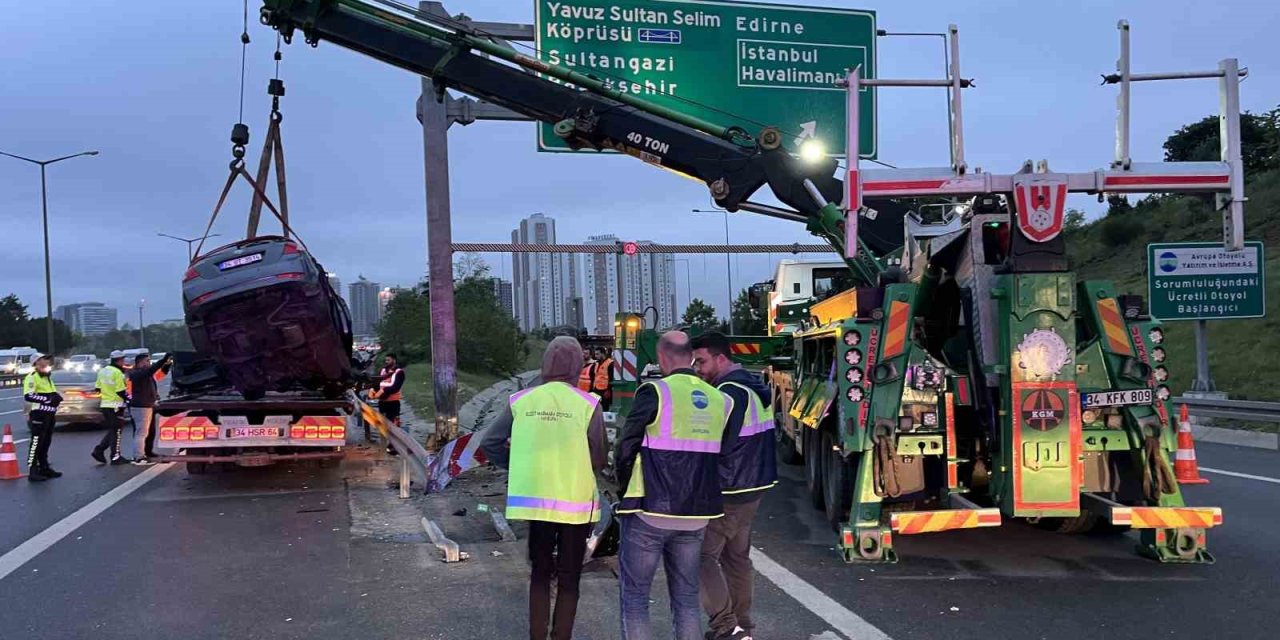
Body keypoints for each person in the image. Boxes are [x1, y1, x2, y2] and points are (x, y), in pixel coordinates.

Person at [480, 336, 607, 640]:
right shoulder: (588, 404)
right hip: (575, 505)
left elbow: (490, 443)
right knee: (569, 579)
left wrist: (519, 464)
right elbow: (599, 458)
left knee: (539, 574)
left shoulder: (522, 401)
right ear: (577, 366)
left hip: (535, 502)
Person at [615, 331, 731, 640]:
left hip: (650, 511)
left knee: (636, 600)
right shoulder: (719, 399)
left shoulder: (653, 391)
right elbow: (724, 452)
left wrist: (623, 491)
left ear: (663, 357)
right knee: (686, 600)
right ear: (691, 357)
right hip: (696, 516)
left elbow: (626, 447)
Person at [691, 332, 778, 640]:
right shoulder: (754, 386)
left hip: (729, 490)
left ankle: (727, 628)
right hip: (754, 485)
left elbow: (718, 443)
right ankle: (743, 625)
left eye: (701, 361)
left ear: (721, 358)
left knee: (701, 557)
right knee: (736, 557)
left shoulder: (727, 393)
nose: (698, 369)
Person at [126, 351, 173, 466]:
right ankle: (139, 457)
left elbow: (160, 374)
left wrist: (168, 363)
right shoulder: (137, 374)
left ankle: (147, 452)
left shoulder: (146, 374)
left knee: (149, 432)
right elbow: (151, 370)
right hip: (140, 406)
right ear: (140, 363)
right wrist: (163, 359)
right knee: (140, 433)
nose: (149, 363)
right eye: (147, 361)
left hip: (147, 405)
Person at [22, 353, 62, 481]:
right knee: (36, 443)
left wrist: (56, 397)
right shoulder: (32, 377)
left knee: (46, 442)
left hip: (50, 414)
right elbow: (29, 396)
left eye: (46, 359)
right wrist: (48, 399)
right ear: (37, 362)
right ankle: (32, 471)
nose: (46, 361)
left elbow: (51, 394)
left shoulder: (47, 377)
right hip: (39, 414)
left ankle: (44, 467)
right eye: (44, 359)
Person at [92, 350, 131, 465]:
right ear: (119, 360)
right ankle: (115, 456)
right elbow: (120, 391)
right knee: (117, 431)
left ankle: (99, 450)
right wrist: (129, 399)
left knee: (114, 430)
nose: (123, 362)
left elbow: (97, 389)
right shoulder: (118, 373)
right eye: (122, 360)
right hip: (116, 405)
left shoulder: (102, 371)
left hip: (105, 405)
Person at [592, 347, 615, 411]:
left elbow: (611, 378)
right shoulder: (596, 363)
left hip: (605, 390)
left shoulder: (610, 363)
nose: (595, 356)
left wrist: (608, 390)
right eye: (595, 354)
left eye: (597, 354)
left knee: (604, 409)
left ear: (603, 354)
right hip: (596, 389)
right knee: (596, 409)